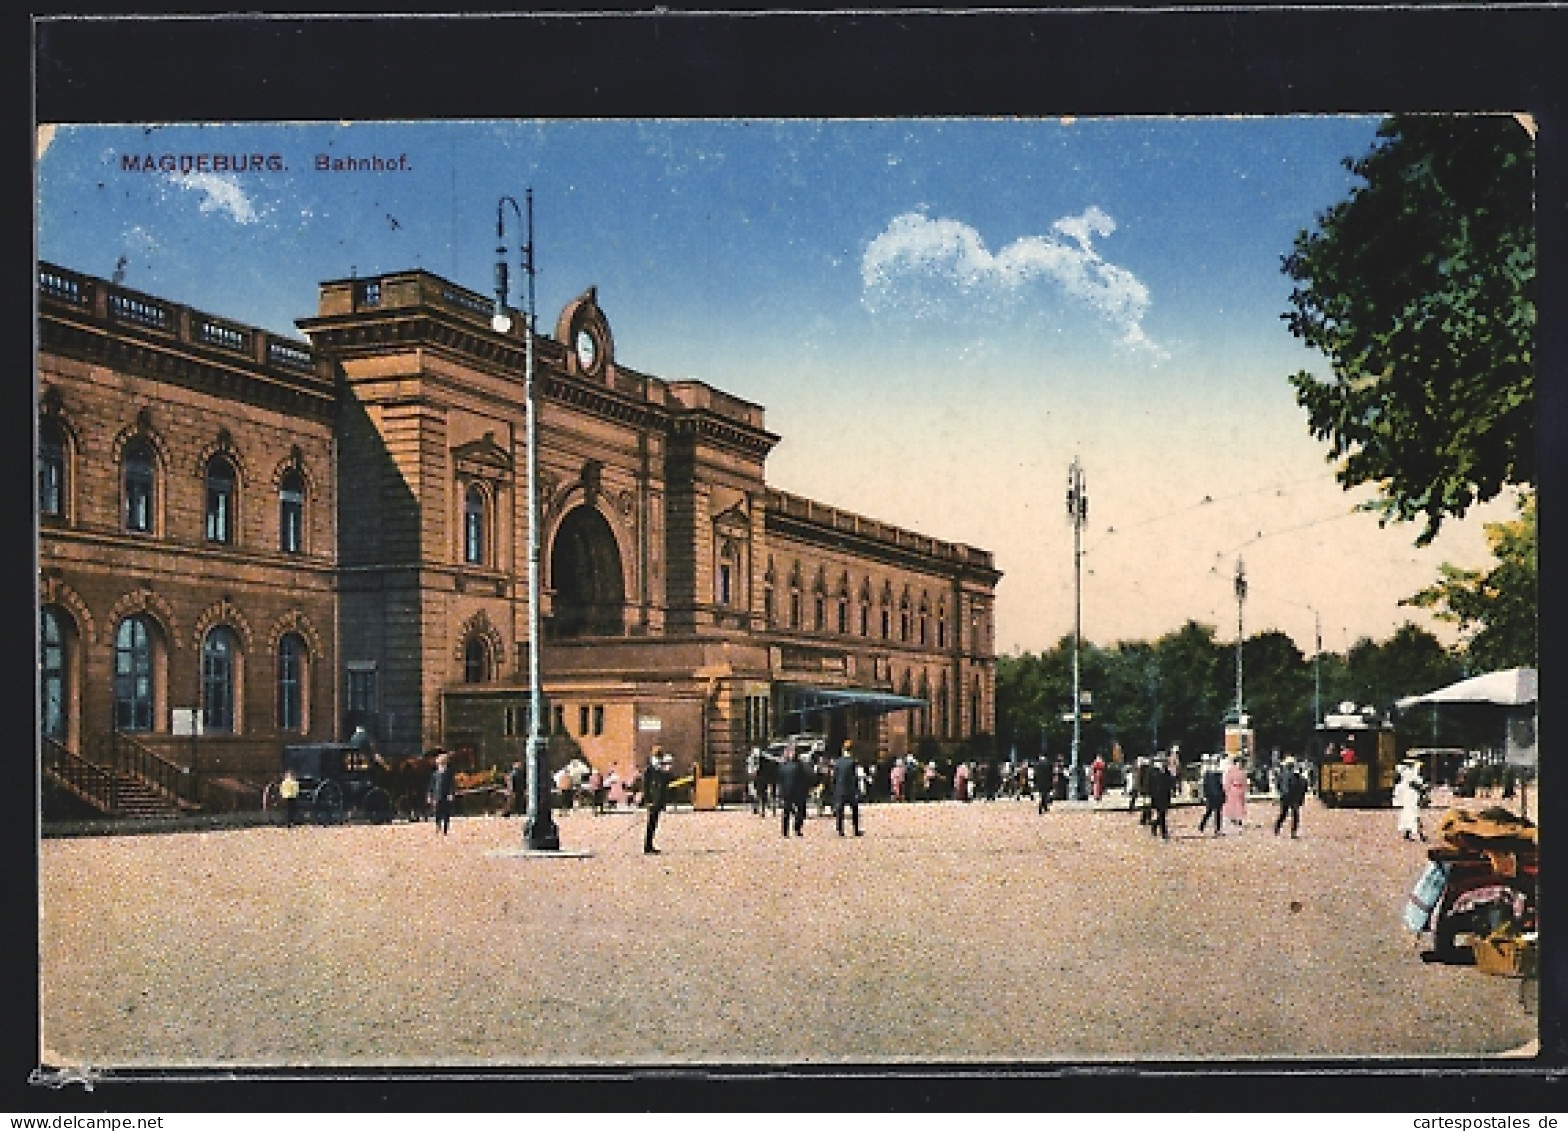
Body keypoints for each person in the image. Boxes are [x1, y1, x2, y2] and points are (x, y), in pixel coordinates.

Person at [641, 747, 673, 854]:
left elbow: (664, 785)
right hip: (653, 801)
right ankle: (647, 846)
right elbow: (646, 787)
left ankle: (649, 845)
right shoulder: (649, 770)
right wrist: (648, 800)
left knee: (654, 824)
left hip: (658, 801)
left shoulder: (659, 770)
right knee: (651, 824)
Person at [777, 745, 809, 837]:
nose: (792, 754)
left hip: (798, 792)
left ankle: (797, 828)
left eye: (793, 752)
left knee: (801, 812)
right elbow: (780, 780)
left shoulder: (801, 765)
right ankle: (785, 832)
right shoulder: (783, 765)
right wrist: (780, 793)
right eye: (790, 752)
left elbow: (805, 778)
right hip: (787, 792)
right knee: (786, 812)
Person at [833, 740, 863, 836]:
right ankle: (856, 829)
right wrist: (857, 790)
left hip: (840, 789)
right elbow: (854, 777)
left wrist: (834, 790)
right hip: (850, 790)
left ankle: (840, 830)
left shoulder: (837, 762)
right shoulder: (852, 762)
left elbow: (834, 778)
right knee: (854, 809)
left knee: (840, 811)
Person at [1274, 755, 1307, 838]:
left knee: (1285, 814)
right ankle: (1291, 832)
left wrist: (1280, 793)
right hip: (1291, 797)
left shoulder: (1282, 775)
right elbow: (1302, 786)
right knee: (1292, 815)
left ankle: (1278, 829)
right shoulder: (1295, 775)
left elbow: (1278, 785)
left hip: (1287, 797)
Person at [1394, 762, 1426, 842]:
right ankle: (1420, 835)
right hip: (1411, 798)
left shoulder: (1407, 776)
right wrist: (1421, 789)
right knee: (1414, 816)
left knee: (1410, 816)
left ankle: (1408, 834)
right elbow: (1415, 785)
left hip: (1410, 798)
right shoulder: (1411, 776)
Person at [428, 751, 455, 835]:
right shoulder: (435, 774)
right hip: (437, 795)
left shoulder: (448, 773)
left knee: (446, 813)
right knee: (437, 812)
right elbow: (431, 785)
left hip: (446, 795)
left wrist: (451, 793)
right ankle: (438, 825)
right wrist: (429, 795)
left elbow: (451, 784)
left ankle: (445, 829)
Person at [1198, 755, 1226, 836]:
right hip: (1211, 795)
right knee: (1210, 812)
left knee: (1216, 812)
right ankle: (1202, 825)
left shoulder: (1217, 772)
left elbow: (1221, 785)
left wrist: (1223, 794)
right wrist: (1204, 795)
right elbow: (1205, 785)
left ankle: (1216, 829)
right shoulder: (1208, 772)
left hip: (1217, 794)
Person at [1147, 755, 1172, 840]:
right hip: (1156, 796)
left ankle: (1154, 826)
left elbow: (1170, 784)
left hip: (1165, 796)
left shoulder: (1168, 773)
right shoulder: (1154, 773)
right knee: (1162, 815)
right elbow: (1150, 785)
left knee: (1162, 814)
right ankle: (1164, 833)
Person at [1222, 753, 1248, 834]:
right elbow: (1227, 782)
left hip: (1240, 791)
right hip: (1233, 790)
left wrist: (1245, 789)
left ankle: (1239, 821)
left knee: (1240, 806)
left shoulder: (1243, 772)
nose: (1240, 764)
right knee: (1232, 806)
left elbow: (1244, 782)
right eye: (1238, 762)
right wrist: (1227, 790)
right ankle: (1232, 819)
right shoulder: (1230, 771)